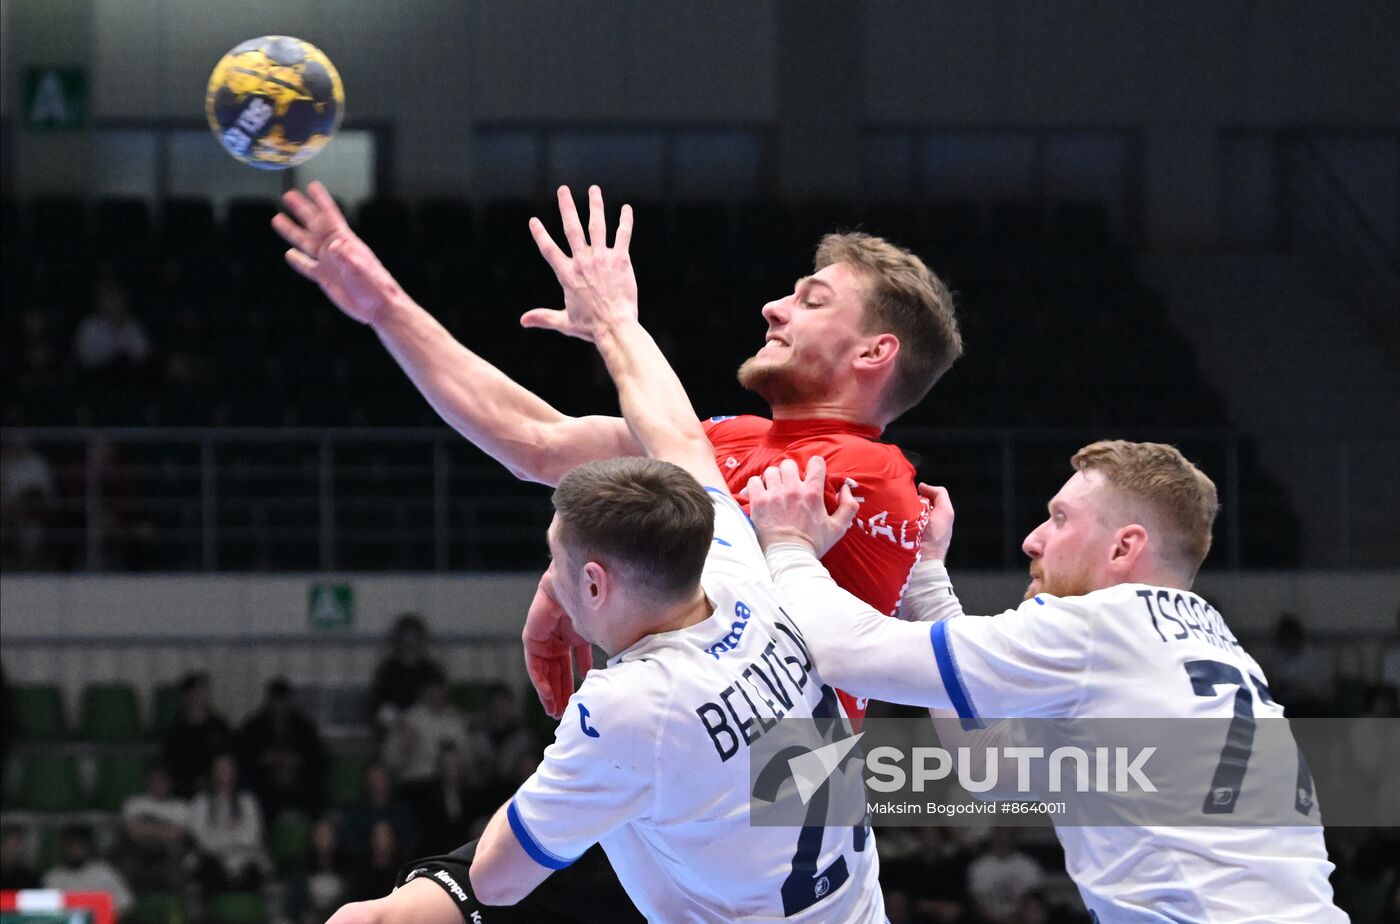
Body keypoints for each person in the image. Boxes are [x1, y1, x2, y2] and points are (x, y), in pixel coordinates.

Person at [324, 187, 885, 923]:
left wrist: (387, 909)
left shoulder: (634, 703)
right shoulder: (738, 566)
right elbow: (675, 438)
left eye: (555, 566)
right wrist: (616, 320)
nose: (546, 586)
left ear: (596, 580)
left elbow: (493, 880)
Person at [273, 181, 961, 730]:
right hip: (693, 762)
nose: (774, 308)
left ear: (875, 353)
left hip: (779, 791)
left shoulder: (873, 476)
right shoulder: (730, 437)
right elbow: (534, 441)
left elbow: (695, 547)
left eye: (811, 301)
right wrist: (384, 308)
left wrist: (614, 324)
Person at [745, 440, 1347, 922]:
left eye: (1059, 518)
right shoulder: (1211, 644)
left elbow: (847, 651)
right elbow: (991, 769)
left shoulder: (1101, 625)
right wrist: (928, 578)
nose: (1032, 539)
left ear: (1123, 548)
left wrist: (789, 543)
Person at [237, 676, 327, 821]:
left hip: (298, 781)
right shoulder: (254, 727)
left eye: (283, 701)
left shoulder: (304, 727)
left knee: (316, 789)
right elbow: (243, 756)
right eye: (276, 701)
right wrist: (265, 760)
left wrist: (297, 761)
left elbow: (317, 756)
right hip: (265, 782)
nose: (280, 706)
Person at [188, 752, 271, 893]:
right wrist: (234, 838)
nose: (224, 773)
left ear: (235, 772)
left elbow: (252, 837)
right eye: (220, 769)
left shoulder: (248, 801)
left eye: (228, 768)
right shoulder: (201, 801)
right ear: (213, 773)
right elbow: (201, 839)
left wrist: (220, 839)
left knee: (256, 867)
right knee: (205, 866)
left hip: (246, 860)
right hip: (212, 862)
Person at [118, 762, 191, 893]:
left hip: (168, 856)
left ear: (170, 783)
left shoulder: (180, 807)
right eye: (154, 780)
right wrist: (164, 830)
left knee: (177, 876)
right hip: (137, 854)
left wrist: (146, 828)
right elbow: (133, 832)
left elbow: (178, 834)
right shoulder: (134, 803)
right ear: (147, 782)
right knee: (125, 874)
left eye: (162, 780)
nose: (158, 784)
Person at [162, 671, 234, 797]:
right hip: (185, 789)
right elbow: (173, 764)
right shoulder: (176, 731)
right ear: (187, 696)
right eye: (197, 691)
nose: (202, 696)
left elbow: (227, 758)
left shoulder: (219, 726)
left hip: (217, 788)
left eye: (205, 691)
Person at [370, 613, 448, 728]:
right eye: (406, 637)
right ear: (399, 640)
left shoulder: (431, 669)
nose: (410, 642)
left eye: (414, 637)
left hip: (426, 724)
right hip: (396, 724)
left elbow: (440, 698)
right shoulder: (388, 669)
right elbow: (378, 702)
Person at [41, 824, 134, 917]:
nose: (75, 849)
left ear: (89, 847)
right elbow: (46, 913)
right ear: (63, 848)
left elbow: (125, 904)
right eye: (71, 845)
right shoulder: (52, 877)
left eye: (80, 845)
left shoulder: (104, 872)